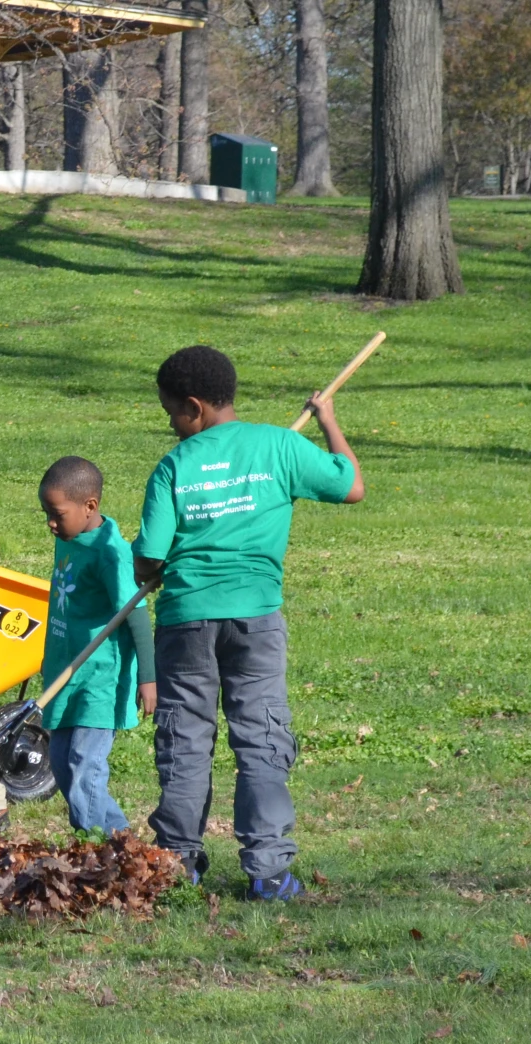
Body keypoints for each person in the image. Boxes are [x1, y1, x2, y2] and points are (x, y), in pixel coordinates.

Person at [133, 345, 364, 898]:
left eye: (171, 412)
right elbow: (349, 484)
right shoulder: (279, 445)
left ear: (193, 406)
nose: (170, 424)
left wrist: (156, 568)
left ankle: (177, 864)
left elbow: (149, 558)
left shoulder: (174, 466)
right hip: (255, 620)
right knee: (261, 739)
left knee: (184, 741)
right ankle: (269, 872)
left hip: (186, 622)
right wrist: (329, 423)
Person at [35, 457, 156, 833]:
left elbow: (134, 612)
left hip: (98, 677)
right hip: (64, 671)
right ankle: (121, 844)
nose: (51, 524)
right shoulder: (70, 538)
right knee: (60, 762)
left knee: (84, 764)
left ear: (89, 506)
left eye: (57, 513)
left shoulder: (110, 552)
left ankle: (94, 851)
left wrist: (149, 677)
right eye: (46, 514)